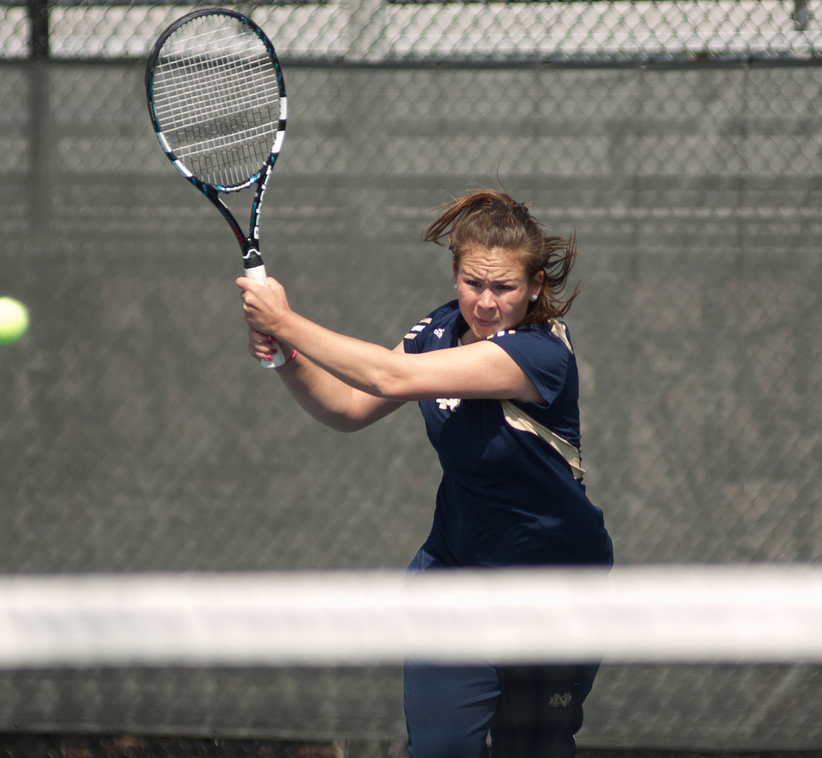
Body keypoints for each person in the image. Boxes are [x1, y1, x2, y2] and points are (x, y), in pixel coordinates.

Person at [236, 188, 613, 758]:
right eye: (472, 283)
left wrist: (285, 321)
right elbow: (348, 406)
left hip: (556, 591)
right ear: (455, 274)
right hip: (453, 578)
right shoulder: (437, 330)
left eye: (504, 287)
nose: (486, 302)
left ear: (535, 286)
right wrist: (287, 356)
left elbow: (390, 377)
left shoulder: (541, 355)